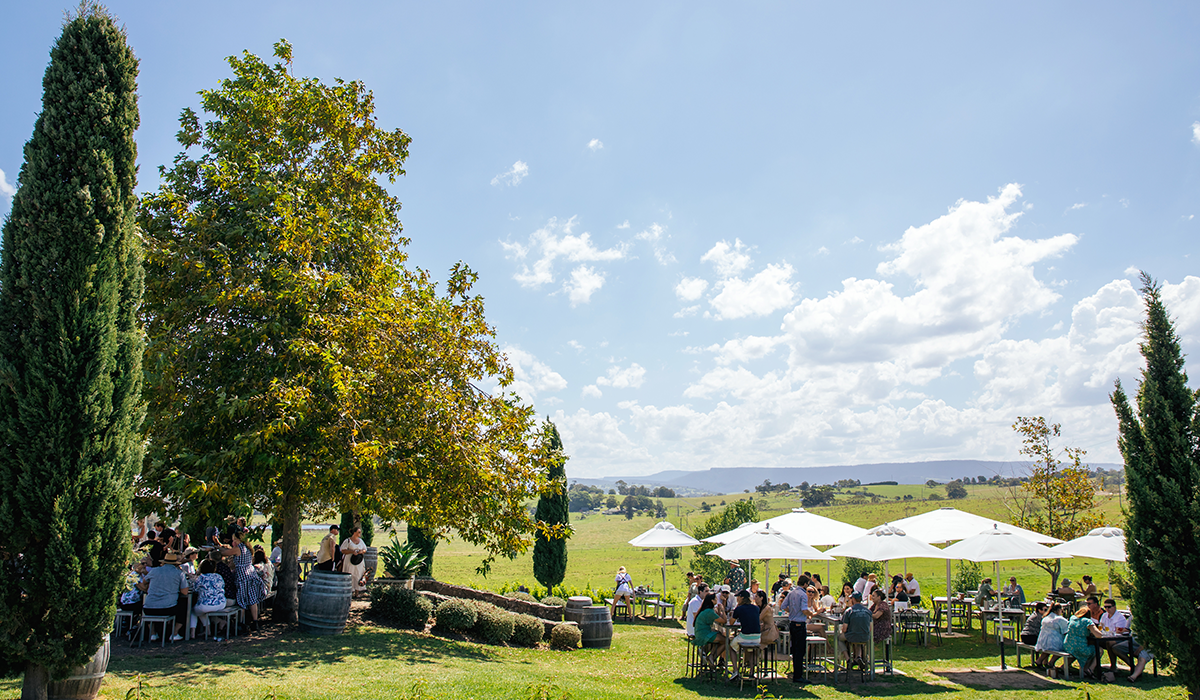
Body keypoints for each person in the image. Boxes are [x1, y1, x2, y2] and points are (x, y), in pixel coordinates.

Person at [138, 551, 190, 641]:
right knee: (184, 607)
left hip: (148, 607)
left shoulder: (154, 571)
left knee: (150, 609)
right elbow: (185, 592)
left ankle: (153, 633)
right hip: (168, 607)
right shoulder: (179, 573)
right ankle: (174, 633)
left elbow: (144, 581)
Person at [220, 528, 265, 632]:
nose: (232, 542)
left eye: (233, 539)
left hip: (242, 576)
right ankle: (255, 621)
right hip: (251, 574)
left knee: (242, 599)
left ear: (237, 539)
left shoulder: (238, 548)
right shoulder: (248, 548)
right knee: (252, 600)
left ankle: (241, 622)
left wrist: (218, 548)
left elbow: (226, 553)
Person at [1064, 607, 1114, 681]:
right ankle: (1090, 669)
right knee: (1099, 650)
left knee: (1086, 648)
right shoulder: (1087, 621)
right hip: (1079, 648)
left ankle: (1084, 669)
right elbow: (1098, 635)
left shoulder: (1073, 618)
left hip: (1068, 645)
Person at [780, 575, 812, 683]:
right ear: (806, 584)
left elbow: (783, 606)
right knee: (800, 650)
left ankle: (796, 672)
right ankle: (798, 675)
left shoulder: (791, 593)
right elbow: (804, 609)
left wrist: (792, 612)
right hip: (800, 623)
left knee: (794, 649)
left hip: (792, 623)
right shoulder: (803, 594)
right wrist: (810, 614)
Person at [728, 590, 762, 680]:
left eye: (738, 597)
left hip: (746, 635)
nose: (737, 599)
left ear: (742, 597)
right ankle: (751, 672)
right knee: (750, 651)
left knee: (732, 647)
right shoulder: (756, 608)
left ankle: (735, 670)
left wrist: (734, 613)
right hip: (757, 637)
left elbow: (731, 622)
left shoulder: (739, 608)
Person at [190, 559, 228, 640]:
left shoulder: (201, 578)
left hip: (206, 604)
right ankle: (208, 630)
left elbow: (195, 589)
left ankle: (192, 633)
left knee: (194, 611)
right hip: (221, 603)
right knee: (202, 611)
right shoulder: (218, 576)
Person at [691, 593, 727, 666]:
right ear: (712, 600)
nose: (717, 600)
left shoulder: (705, 609)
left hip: (700, 632)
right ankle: (712, 657)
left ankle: (707, 654)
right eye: (716, 599)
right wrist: (723, 610)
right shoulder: (709, 612)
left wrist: (719, 610)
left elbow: (718, 618)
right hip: (704, 634)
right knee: (726, 640)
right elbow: (724, 621)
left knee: (718, 634)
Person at [840, 592, 872, 669]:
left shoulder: (849, 611)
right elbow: (870, 628)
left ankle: (848, 659)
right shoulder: (868, 611)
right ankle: (857, 657)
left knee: (838, 639)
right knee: (858, 640)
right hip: (865, 636)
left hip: (852, 635)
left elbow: (844, 629)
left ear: (853, 599)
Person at [1035, 603, 1069, 673]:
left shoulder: (1046, 617)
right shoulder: (1060, 619)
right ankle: (1051, 662)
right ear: (1059, 610)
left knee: (1049, 647)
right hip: (1053, 642)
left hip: (1042, 641)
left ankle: (1039, 660)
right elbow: (1066, 631)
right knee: (1063, 647)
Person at [340, 526, 369, 593]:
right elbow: (343, 550)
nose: (360, 533)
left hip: (359, 560)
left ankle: (357, 592)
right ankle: (349, 591)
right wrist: (352, 551)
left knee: (358, 575)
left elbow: (365, 549)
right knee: (350, 574)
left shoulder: (361, 541)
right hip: (350, 560)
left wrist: (361, 551)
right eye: (358, 532)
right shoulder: (348, 541)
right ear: (354, 532)